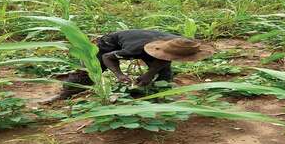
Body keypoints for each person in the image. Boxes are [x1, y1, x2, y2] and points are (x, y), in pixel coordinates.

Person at [51, 29, 215, 101]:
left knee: (164, 71)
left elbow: (166, 57)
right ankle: (67, 92)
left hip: (151, 42)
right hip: (110, 45)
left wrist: (149, 74)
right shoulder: (135, 48)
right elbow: (109, 57)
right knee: (93, 71)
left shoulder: (180, 42)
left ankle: (158, 94)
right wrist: (120, 75)